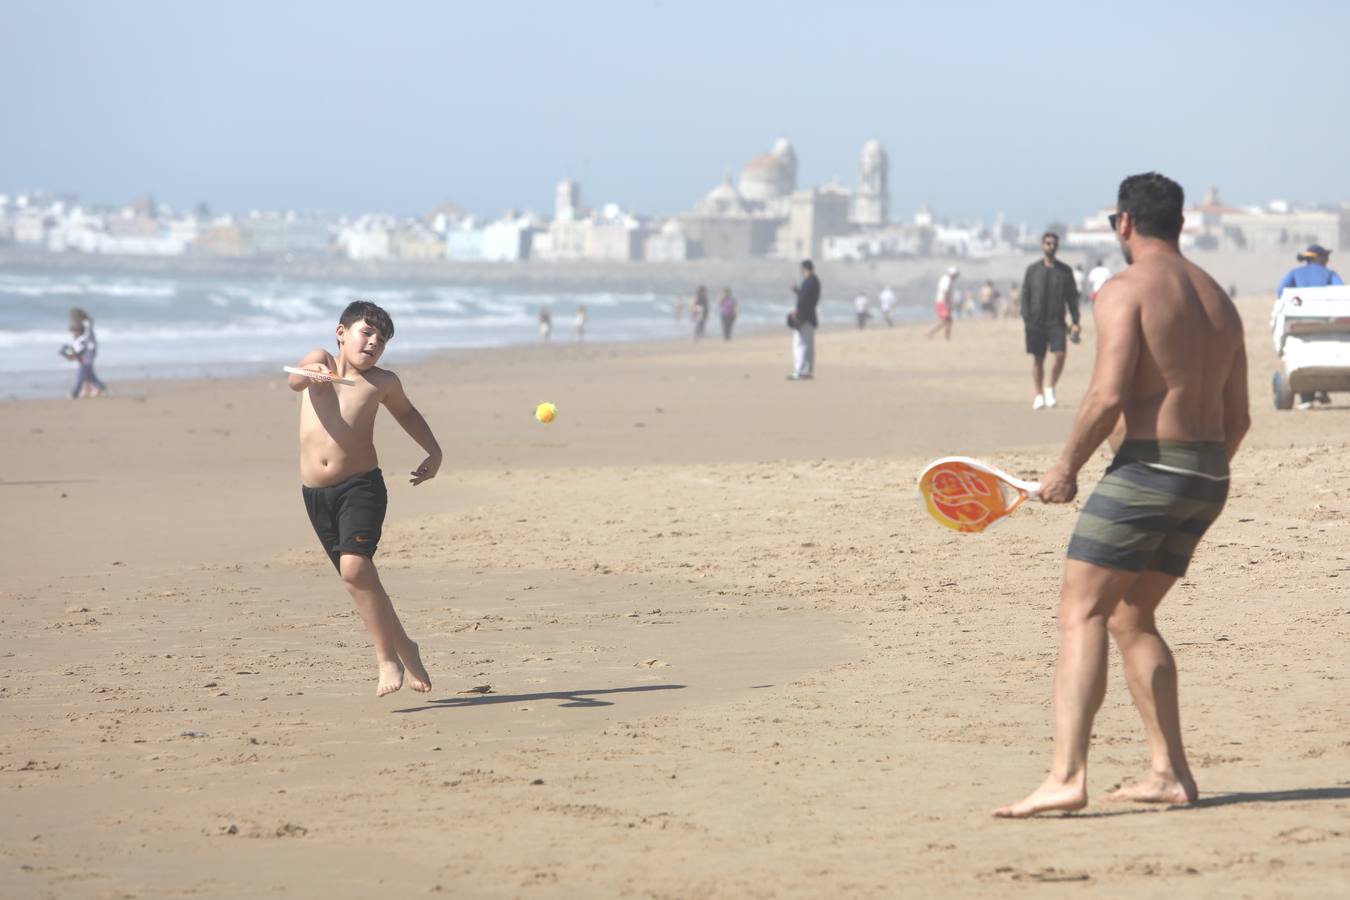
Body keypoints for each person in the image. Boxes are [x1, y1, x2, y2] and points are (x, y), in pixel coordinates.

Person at [995, 172, 1249, 818]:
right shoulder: (1219, 299)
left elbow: (1107, 396)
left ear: (1126, 224)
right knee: (1131, 615)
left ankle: (1066, 775)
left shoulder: (1124, 291)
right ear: (1181, 224)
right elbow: (1239, 418)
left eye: (1115, 225)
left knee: (1081, 612)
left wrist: (1065, 469)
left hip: (1149, 472)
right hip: (1208, 477)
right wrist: (1191, 474)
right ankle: (1169, 773)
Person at [287, 300, 442, 697]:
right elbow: (295, 380)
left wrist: (433, 451)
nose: (374, 342)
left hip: (361, 486)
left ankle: (387, 658)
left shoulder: (382, 383)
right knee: (361, 579)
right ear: (342, 333)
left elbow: (407, 414)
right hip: (316, 495)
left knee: (355, 570)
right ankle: (406, 646)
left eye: (382, 339)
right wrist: (313, 372)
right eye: (366, 333)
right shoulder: (321, 361)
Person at [1276, 244, 1343, 408]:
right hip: (1330, 324)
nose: (1328, 260)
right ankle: (1322, 390)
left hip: (1300, 324)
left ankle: (1306, 398)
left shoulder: (1295, 274)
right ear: (1319, 258)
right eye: (1326, 257)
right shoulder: (1330, 274)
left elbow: (1281, 292)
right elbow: (1341, 292)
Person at [1020, 232, 1082, 409]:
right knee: (1038, 359)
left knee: (1060, 356)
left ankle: (1051, 387)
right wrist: (1026, 317)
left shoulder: (1065, 271)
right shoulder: (1032, 270)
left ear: (1057, 246)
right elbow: (1025, 294)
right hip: (1036, 322)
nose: (1051, 246)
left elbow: (1072, 298)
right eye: (1048, 243)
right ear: (1042, 245)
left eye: (1054, 244)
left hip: (1057, 322)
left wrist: (1076, 321)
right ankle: (1038, 394)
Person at [63, 307, 107, 399]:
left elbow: (83, 345)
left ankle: (74, 393)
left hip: (87, 357)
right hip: (83, 357)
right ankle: (100, 387)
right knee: (89, 375)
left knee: (81, 375)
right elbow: (75, 348)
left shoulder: (86, 332)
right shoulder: (79, 337)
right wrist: (68, 353)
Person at [788, 259, 819, 380]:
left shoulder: (810, 281)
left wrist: (797, 312)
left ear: (805, 269)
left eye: (802, 270)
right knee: (808, 345)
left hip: (804, 316)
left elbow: (804, 299)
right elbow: (805, 296)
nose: (801, 272)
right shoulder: (814, 281)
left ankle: (799, 371)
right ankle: (806, 370)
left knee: (799, 344)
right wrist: (797, 291)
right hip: (810, 316)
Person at [926, 266, 957, 340]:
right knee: (946, 320)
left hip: (942, 301)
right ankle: (931, 333)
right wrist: (947, 303)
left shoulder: (947, 279)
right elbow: (945, 292)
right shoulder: (947, 280)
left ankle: (947, 337)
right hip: (943, 302)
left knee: (949, 320)